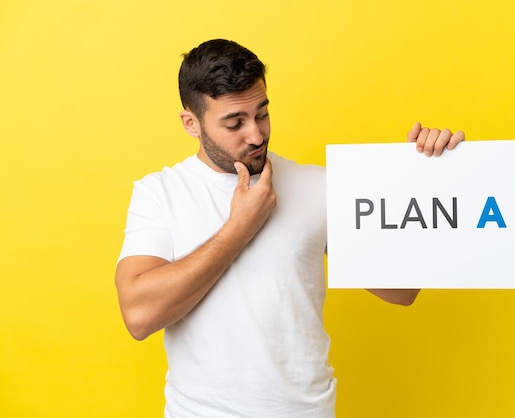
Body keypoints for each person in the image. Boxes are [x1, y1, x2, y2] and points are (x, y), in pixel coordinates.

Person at [115, 39, 465, 417]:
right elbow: (138, 316)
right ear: (191, 123)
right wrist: (240, 227)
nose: (256, 135)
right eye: (234, 122)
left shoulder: (316, 185)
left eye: (261, 114)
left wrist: (422, 180)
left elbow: (402, 290)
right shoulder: (160, 193)